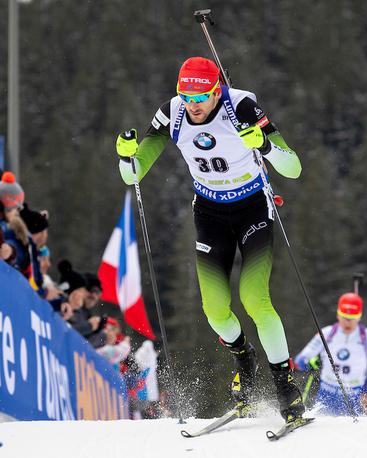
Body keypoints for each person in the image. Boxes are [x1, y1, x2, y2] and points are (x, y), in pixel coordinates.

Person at [115, 56, 305, 422]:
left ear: (217, 90)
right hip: (210, 212)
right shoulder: (173, 113)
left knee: (254, 299)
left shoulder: (242, 106)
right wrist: (126, 158)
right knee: (215, 310)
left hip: (253, 207)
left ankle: (285, 386)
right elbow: (133, 174)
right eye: (185, 95)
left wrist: (263, 145)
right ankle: (243, 358)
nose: (193, 104)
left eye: (200, 96)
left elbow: (293, 167)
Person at [294, 292, 367, 416]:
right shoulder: (326, 334)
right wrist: (310, 362)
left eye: (352, 318)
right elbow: (300, 360)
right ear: (338, 314)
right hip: (326, 397)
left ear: (359, 316)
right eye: (344, 317)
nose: (348, 322)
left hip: (353, 398)